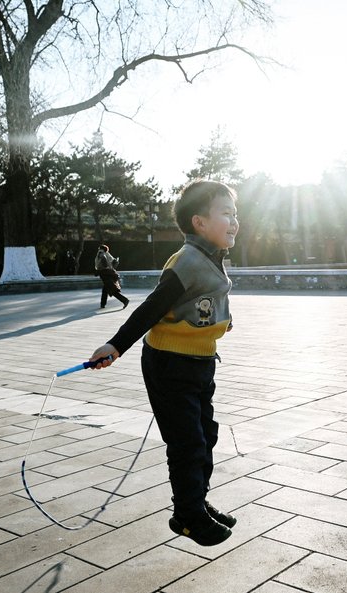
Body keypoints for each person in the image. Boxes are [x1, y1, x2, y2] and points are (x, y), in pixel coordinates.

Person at [87, 180, 239, 546]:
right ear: (199, 222)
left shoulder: (210, 258)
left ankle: (197, 503)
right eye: (226, 214)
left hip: (200, 363)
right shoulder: (187, 261)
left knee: (206, 436)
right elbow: (152, 308)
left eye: (236, 214)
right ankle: (186, 516)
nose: (235, 222)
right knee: (187, 443)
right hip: (171, 364)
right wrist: (116, 345)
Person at [94, 244, 129, 309]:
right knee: (105, 289)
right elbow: (115, 262)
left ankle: (125, 300)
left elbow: (103, 264)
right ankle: (102, 304)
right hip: (111, 273)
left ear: (101, 249)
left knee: (112, 290)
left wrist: (99, 271)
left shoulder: (101, 253)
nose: (99, 250)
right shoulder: (108, 254)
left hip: (106, 275)